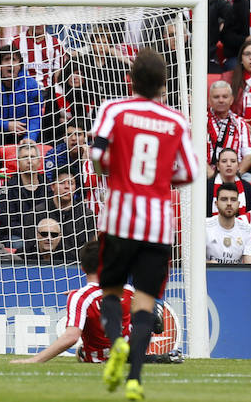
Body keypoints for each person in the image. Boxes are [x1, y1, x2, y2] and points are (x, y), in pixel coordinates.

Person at [89, 48, 197, 399]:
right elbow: (189, 173)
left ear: (130, 79)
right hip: (157, 225)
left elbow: (97, 153)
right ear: (163, 85)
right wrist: (160, 179)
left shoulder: (114, 109)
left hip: (120, 218)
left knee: (111, 292)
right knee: (145, 303)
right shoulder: (176, 120)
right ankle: (135, 379)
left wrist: (110, 171)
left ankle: (116, 342)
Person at [11, 240, 134, 363]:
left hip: (98, 361)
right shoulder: (128, 291)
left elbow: (71, 337)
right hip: (128, 358)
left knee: (81, 351)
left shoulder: (80, 297)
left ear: (83, 268)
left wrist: (35, 359)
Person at [0, 46, 43, 147]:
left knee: (40, 135)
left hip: (22, 131)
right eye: (6, 60)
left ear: (20, 66)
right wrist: (7, 125)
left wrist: (30, 137)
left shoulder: (31, 85)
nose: (10, 64)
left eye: (14, 60)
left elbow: (35, 117)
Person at [0, 144, 46, 250]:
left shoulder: (48, 186)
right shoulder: (8, 187)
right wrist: (33, 235)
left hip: (44, 235)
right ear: (18, 162)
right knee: (23, 246)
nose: (29, 161)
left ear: (39, 161)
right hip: (16, 236)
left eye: (32, 157)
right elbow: (8, 222)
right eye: (25, 157)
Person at [206, 81, 251, 179]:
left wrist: (235, 174)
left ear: (231, 100)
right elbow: (195, 156)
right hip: (207, 175)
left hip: (236, 174)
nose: (221, 100)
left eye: (225, 97)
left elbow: (249, 155)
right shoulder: (200, 123)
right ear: (209, 100)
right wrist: (213, 176)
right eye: (216, 97)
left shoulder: (240, 123)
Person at [205, 183, 251, 264]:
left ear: (238, 204)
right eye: (224, 199)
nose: (229, 203)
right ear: (216, 204)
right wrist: (210, 265)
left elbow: (250, 267)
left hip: (237, 276)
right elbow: (194, 262)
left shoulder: (248, 230)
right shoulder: (204, 226)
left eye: (233, 199)